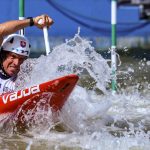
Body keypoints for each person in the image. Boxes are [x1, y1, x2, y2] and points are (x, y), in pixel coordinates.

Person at [0, 15, 54, 94]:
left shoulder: (26, 76)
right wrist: (33, 21)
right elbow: (1, 30)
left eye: (22, 59)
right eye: (13, 56)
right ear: (2, 54)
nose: (17, 63)